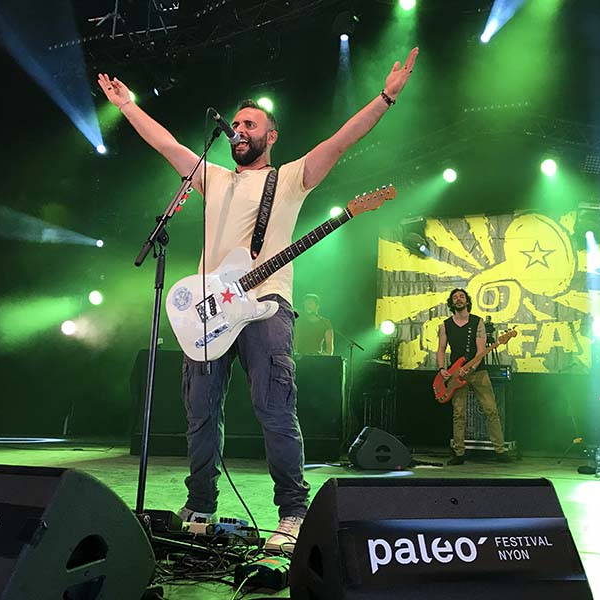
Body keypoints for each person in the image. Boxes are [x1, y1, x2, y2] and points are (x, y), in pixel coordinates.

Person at [98, 46, 418, 552]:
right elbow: (166, 144)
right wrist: (127, 106)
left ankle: (293, 512)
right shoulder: (212, 177)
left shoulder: (288, 177)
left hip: (266, 306)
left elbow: (339, 141)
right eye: (236, 125)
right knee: (200, 413)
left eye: (250, 125)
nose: (239, 130)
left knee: (274, 410)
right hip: (208, 312)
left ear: (270, 137)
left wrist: (385, 98)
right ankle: (200, 505)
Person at [436, 288, 513, 465]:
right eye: (455, 297)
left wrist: (470, 368)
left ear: (467, 301)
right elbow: (441, 349)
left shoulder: (477, 322)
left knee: (491, 410)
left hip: (478, 372)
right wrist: (441, 369)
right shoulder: (445, 325)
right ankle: (459, 453)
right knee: (459, 413)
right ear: (451, 302)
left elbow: (480, 350)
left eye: (461, 296)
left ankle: (500, 450)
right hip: (455, 374)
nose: (458, 299)